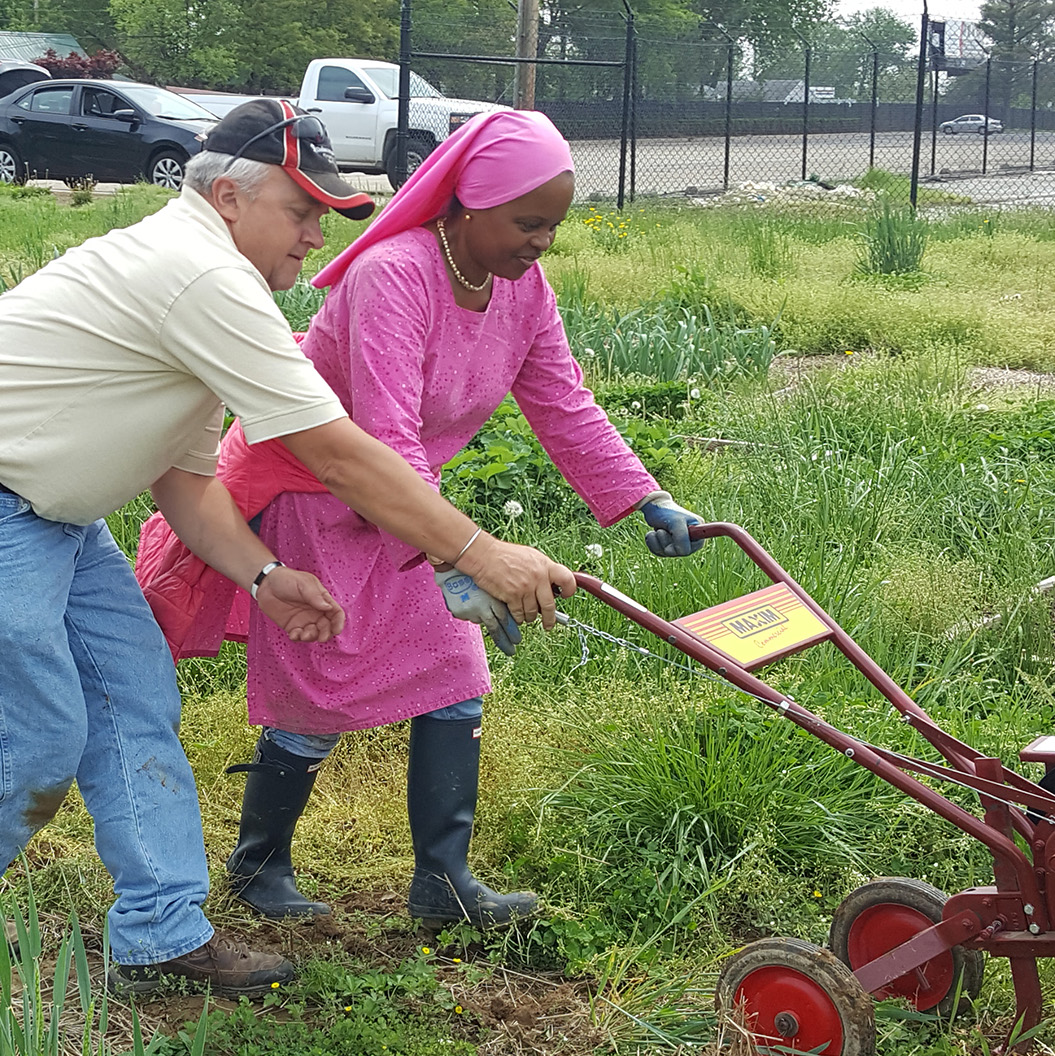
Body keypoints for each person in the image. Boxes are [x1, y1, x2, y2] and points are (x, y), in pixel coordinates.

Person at [0, 99, 580, 997]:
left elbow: (187, 480)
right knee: (35, 743)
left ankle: (162, 936)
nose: (318, 235)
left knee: (136, 702)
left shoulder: (205, 280)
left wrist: (266, 574)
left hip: (47, 514)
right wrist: (477, 552)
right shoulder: (201, 274)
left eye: (328, 215)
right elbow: (333, 451)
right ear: (232, 196)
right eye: (303, 210)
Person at [138, 109, 705, 929]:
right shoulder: (395, 274)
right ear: (468, 205)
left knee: (453, 677)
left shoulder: (522, 291)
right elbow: (383, 431)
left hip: (406, 503)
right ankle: (259, 866)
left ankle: (443, 885)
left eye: (553, 225)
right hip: (313, 494)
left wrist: (645, 496)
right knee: (319, 691)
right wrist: (460, 555)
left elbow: (563, 404)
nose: (541, 242)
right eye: (526, 222)